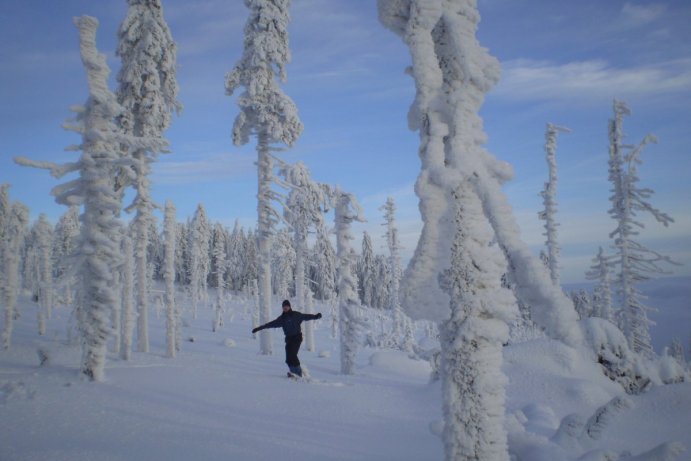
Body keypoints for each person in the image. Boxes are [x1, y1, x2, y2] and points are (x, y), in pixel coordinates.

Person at [252, 300, 322, 377]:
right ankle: (293, 372)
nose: (285, 308)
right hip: (289, 339)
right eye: (284, 306)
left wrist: (316, 316)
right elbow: (271, 324)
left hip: (297, 338)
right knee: (288, 359)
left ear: (289, 306)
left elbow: (306, 317)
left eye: (286, 306)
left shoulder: (296, 315)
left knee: (293, 355)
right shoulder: (282, 319)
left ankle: (299, 373)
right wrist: (259, 328)